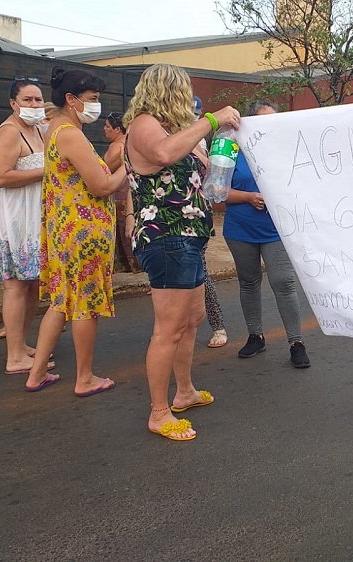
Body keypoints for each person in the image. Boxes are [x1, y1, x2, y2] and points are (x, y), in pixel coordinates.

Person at [123, 63, 240, 440]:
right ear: (169, 90)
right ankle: (159, 413)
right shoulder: (144, 124)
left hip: (188, 236)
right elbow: (162, 155)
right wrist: (210, 120)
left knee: (192, 317)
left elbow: (198, 169)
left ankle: (184, 391)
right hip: (167, 236)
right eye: (184, 90)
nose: (190, 98)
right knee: (169, 328)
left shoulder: (174, 130)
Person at [24, 66, 128, 396]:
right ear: (71, 99)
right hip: (83, 231)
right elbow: (102, 186)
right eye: (92, 98)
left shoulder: (55, 129)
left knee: (61, 302)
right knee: (85, 304)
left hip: (64, 228)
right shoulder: (71, 134)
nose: (96, 105)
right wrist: (129, 166)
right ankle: (84, 378)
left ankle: (37, 373)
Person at [224, 100, 310, 367]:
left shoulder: (284, 150)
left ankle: (296, 342)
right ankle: (255, 336)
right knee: (249, 282)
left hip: (276, 230)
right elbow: (217, 191)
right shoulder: (232, 148)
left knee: (284, 281)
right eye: (263, 120)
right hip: (240, 229)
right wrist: (248, 197)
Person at [0, 78, 48, 372]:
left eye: (38, 99)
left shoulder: (37, 129)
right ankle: (14, 356)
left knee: (33, 284)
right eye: (27, 100)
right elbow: (1, 177)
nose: (34, 105)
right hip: (13, 217)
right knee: (15, 285)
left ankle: (22, 344)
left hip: (33, 217)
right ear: (13, 103)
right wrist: (46, 171)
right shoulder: (9, 132)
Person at [190, 97, 228, 348]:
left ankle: (218, 326)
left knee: (200, 274)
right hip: (169, 220)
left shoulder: (199, 139)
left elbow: (211, 171)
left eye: (195, 112)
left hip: (196, 216)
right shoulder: (161, 134)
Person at [103, 111, 138, 273]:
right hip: (131, 187)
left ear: (117, 129)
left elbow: (106, 169)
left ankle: (127, 264)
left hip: (119, 189)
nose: (104, 129)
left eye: (107, 126)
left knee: (121, 227)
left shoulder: (116, 145)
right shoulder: (132, 143)